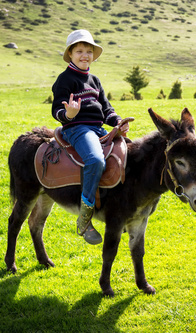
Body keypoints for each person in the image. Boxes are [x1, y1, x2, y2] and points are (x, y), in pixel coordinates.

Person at [51, 29, 129, 245]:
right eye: (79, 51)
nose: (84, 55)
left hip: (97, 129)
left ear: (93, 55)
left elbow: (106, 108)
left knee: (129, 155)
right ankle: (84, 219)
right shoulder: (65, 79)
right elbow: (57, 109)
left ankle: (119, 210)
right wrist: (69, 114)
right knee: (95, 160)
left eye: (88, 51)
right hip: (77, 129)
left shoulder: (94, 80)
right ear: (71, 54)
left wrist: (118, 122)